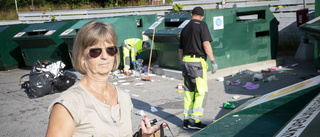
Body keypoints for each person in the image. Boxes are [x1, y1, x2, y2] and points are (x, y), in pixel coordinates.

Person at [45, 21, 159, 137]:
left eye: (110, 50)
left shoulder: (124, 98)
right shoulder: (69, 104)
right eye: (96, 51)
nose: (104, 56)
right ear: (82, 56)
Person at [178, 6, 218, 130]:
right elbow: (206, 44)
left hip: (185, 62)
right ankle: (193, 120)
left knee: (189, 92)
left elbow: (180, 49)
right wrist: (213, 61)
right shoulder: (202, 25)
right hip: (197, 63)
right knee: (202, 91)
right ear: (202, 16)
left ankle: (186, 119)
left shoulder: (184, 28)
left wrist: (182, 63)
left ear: (191, 14)